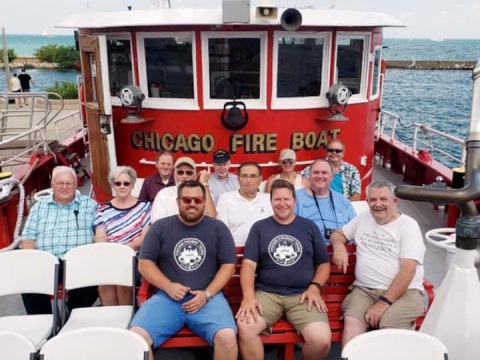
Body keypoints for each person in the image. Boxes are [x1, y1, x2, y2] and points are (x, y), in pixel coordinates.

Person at [130, 180, 238, 360]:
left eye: (197, 200)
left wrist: (208, 294)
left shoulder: (218, 228)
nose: (192, 204)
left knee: (227, 337)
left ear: (204, 201)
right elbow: (145, 263)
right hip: (167, 297)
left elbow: (228, 265)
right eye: (187, 200)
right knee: (137, 338)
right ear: (178, 201)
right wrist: (168, 286)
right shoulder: (160, 227)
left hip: (207, 298)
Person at [237, 179, 331, 360]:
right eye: (277, 199)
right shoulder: (260, 228)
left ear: (295, 201)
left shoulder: (309, 227)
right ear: (270, 202)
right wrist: (248, 296)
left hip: (303, 295)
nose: (282, 204)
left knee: (321, 341)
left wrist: (315, 287)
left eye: (286, 199)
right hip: (267, 294)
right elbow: (248, 265)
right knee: (245, 328)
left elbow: (323, 264)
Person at [330, 180, 426, 346]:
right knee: (352, 324)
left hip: (405, 292)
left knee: (388, 327)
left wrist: (383, 304)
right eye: (372, 200)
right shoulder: (363, 218)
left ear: (395, 201)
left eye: (383, 199)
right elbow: (338, 235)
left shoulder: (408, 226)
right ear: (367, 202)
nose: (377, 204)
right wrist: (339, 245)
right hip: (364, 289)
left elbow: (408, 271)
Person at [20, 165, 98, 315]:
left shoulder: (90, 205)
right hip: (47, 262)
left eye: (69, 183)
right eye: (60, 183)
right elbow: (28, 237)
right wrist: (31, 261)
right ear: (52, 185)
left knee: (90, 280)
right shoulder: (39, 208)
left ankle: (73, 317)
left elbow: (100, 233)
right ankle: (45, 322)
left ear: (75, 185)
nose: (64, 187)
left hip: (79, 262)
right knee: (28, 281)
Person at [94, 166, 151, 305]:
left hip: (133, 254)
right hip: (109, 254)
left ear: (132, 185)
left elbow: (144, 237)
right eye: (118, 183)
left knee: (121, 273)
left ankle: (126, 315)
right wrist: (111, 252)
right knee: (105, 278)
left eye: (126, 183)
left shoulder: (144, 206)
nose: (122, 186)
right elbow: (100, 237)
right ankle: (111, 317)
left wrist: (122, 251)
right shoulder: (103, 209)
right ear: (112, 185)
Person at [295, 159, 356, 245]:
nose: (320, 176)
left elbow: (355, 229)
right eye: (316, 172)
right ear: (309, 176)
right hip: (310, 251)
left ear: (331, 177)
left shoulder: (343, 200)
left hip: (343, 250)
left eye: (324, 173)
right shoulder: (295, 198)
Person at [216, 162, 273, 246]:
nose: (249, 181)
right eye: (245, 176)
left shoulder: (269, 199)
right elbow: (221, 232)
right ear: (238, 179)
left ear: (260, 179)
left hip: (264, 252)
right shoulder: (225, 198)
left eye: (253, 176)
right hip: (234, 252)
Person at [151, 156, 216, 222]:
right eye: (180, 172)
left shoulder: (206, 192)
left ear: (195, 175)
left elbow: (211, 218)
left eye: (189, 173)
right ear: (174, 174)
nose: (184, 176)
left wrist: (204, 184)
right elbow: (157, 222)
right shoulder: (163, 194)